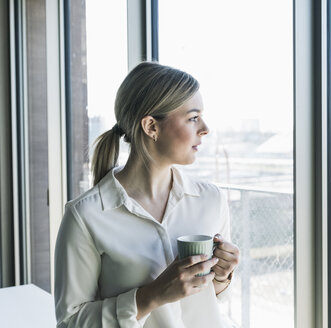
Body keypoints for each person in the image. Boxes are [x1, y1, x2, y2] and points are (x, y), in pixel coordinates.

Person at [54, 62, 240, 327]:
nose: (205, 128)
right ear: (151, 126)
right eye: (193, 117)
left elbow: (212, 300)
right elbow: (70, 322)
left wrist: (222, 276)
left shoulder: (211, 200)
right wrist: (150, 297)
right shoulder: (86, 216)